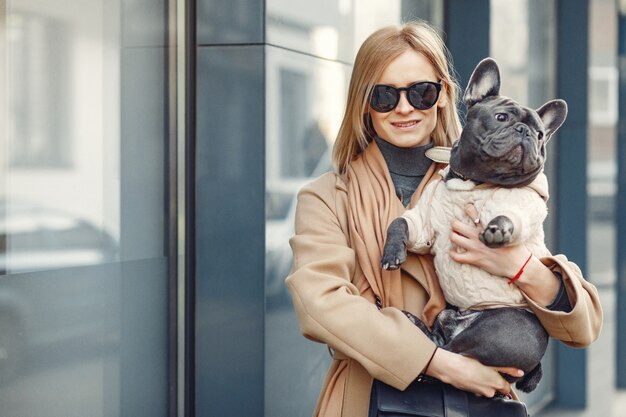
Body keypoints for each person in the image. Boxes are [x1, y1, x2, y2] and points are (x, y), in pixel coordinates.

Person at [285, 20, 603, 417]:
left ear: (443, 96)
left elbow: (583, 324)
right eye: (385, 95)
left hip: (477, 406)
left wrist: (518, 268)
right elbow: (322, 305)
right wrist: (442, 363)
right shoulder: (327, 197)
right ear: (364, 103)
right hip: (371, 400)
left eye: (421, 92)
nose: (404, 108)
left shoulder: (490, 182)